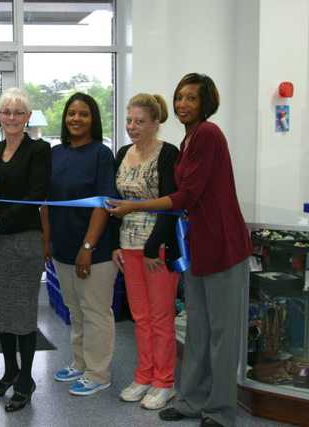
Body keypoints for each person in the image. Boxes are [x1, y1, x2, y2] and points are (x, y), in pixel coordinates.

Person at [107, 73, 252, 427]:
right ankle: (190, 401)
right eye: (180, 97)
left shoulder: (208, 134)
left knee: (221, 335)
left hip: (224, 248)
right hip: (199, 248)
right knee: (198, 330)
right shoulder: (189, 139)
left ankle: (219, 411)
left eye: (191, 98)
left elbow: (186, 197)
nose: (183, 104)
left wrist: (133, 207)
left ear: (206, 103)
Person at [40, 92, 118, 397]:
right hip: (62, 248)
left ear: (93, 119)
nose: (76, 118)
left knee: (96, 311)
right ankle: (80, 361)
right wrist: (47, 242)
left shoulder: (101, 154)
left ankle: (99, 373)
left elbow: (103, 203)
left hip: (94, 251)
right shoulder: (55, 154)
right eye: (71, 113)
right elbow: (45, 202)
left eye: (83, 114)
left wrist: (87, 248)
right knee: (75, 309)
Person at [0, 88, 51, 412]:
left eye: (18, 112)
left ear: (28, 118)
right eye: (6, 112)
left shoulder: (39, 149)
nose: (11, 117)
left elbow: (35, 194)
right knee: (0, 311)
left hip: (23, 240)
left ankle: (26, 381)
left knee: (22, 314)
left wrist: (2, 222)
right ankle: (10, 371)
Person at [112, 93, 180, 410]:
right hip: (129, 247)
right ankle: (144, 376)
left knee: (160, 317)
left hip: (158, 249)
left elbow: (172, 204)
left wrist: (154, 247)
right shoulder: (123, 153)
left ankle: (164, 382)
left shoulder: (168, 154)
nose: (132, 127)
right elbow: (112, 203)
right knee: (140, 317)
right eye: (129, 120)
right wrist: (115, 245)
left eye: (140, 121)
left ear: (156, 122)